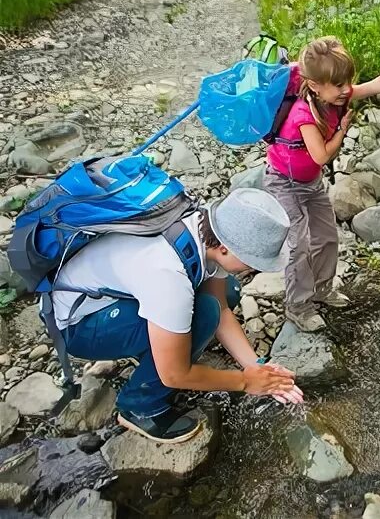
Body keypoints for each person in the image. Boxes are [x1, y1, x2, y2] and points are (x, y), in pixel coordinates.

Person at [52, 188, 304, 444]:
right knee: (203, 314)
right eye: (252, 261)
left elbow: (222, 307)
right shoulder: (168, 276)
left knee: (227, 293)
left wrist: (256, 365)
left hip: (110, 295)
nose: (254, 268)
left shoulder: (205, 228)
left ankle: (156, 348)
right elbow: (174, 374)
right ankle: (138, 405)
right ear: (225, 248)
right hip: (78, 326)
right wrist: (245, 382)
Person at [264, 36, 380, 332]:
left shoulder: (335, 95)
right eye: (339, 85)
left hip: (310, 182)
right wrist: (342, 130)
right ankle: (298, 306)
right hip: (284, 183)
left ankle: (321, 289)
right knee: (299, 245)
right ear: (315, 85)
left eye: (348, 82)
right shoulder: (303, 114)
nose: (347, 90)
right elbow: (321, 155)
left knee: (328, 238)